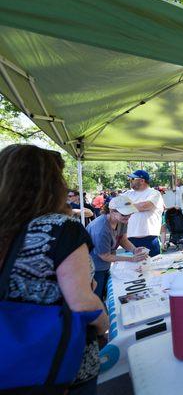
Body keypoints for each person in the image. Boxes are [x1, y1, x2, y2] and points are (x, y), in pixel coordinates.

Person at [0, 144, 109, 394]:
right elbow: (82, 303)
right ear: (52, 183)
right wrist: (104, 324)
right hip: (59, 367)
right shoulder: (60, 228)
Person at [86, 196, 149, 300]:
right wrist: (131, 259)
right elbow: (105, 256)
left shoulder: (121, 221)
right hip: (94, 268)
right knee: (96, 298)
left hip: (104, 266)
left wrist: (134, 250)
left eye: (130, 213)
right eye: (124, 214)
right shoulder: (100, 229)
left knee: (104, 295)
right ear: (112, 211)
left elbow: (123, 240)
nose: (128, 217)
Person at [123, 170, 165, 257]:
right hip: (130, 240)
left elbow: (145, 206)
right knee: (131, 269)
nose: (130, 181)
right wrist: (136, 206)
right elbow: (116, 206)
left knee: (154, 268)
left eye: (132, 179)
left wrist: (126, 207)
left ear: (142, 180)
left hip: (150, 239)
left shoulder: (154, 193)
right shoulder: (127, 194)